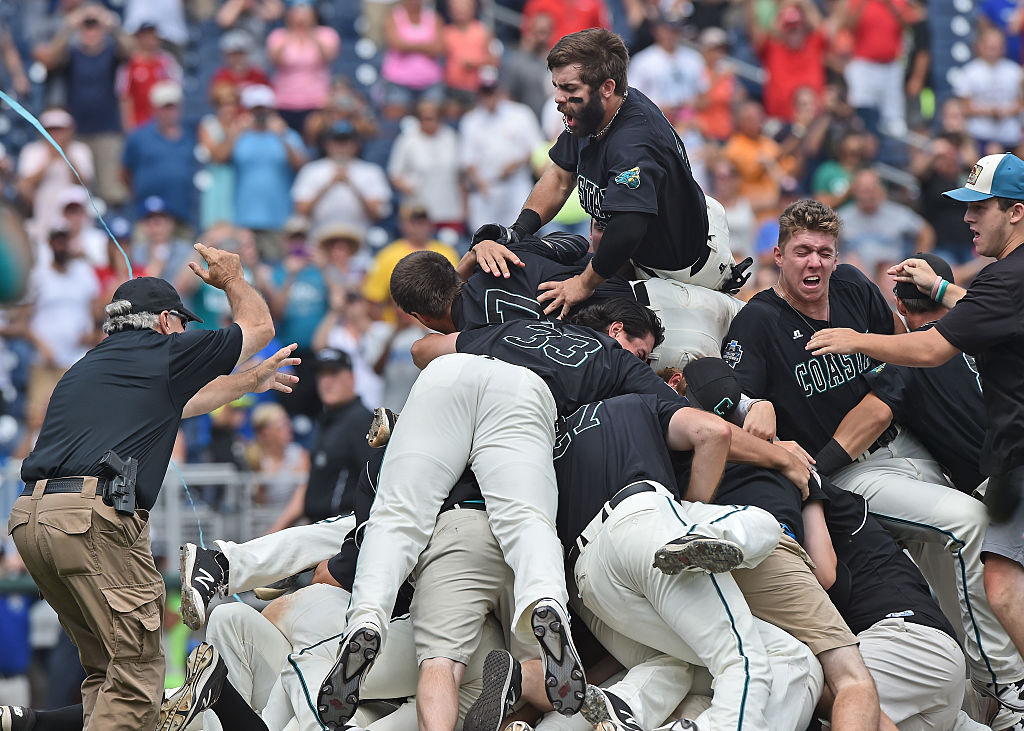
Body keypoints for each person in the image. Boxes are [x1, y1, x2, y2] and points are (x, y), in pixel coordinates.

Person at [725, 197, 1024, 726]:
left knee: (951, 575)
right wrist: (761, 411)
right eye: (802, 252)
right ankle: (1008, 696)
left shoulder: (853, 287)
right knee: (969, 525)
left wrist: (875, 404)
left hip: (906, 447)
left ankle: (973, 698)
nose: (814, 263)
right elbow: (735, 404)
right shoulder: (757, 321)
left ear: (837, 257)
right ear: (778, 255)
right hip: (848, 475)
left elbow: (900, 356)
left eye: (824, 252)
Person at [5, 243, 293, 730]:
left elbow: (183, 404)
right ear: (165, 322)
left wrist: (247, 383)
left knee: (107, 673)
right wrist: (233, 280)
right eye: (181, 324)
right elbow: (260, 328)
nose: (184, 333)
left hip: (34, 520)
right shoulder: (163, 351)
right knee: (138, 676)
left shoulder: (89, 368)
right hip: (91, 522)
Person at [807, 152, 1024, 684]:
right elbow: (988, 307)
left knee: (999, 582)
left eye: (980, 207)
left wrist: (856, 339)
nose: (967, 218)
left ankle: (1011, 690)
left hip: (1016, 459)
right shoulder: (1007, 281)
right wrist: (942, 288)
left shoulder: (1007, 278)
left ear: (1015, 212)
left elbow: (929, 351)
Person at [495, 27, 750, 321]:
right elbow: (559, 177)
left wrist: (583, 284)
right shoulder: (589, 112)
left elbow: (627, 228)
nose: (557, 98)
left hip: (683, 270)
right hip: (645, 250)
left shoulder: (634, 142)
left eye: (569, 89)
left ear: (607, 87)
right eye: (556, 86)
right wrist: (519, 231)